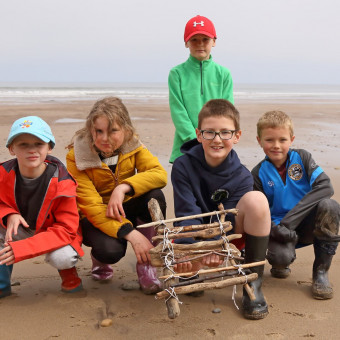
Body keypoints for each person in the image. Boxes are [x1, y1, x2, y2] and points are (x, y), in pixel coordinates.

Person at [171, 99, 271, 320]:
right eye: (210, 133)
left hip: (227, 235)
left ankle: (252, 282)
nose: (217, 139)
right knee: (187, 275)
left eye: (225, 133)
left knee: (257, 200)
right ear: (199, 134)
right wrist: (193, 251)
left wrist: (217, 247)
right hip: (193, 235)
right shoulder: (182, 166)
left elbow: (229, 222)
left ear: (237, 136)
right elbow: (186, 212)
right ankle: (194, 270)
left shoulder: (243, 176)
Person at [66, 97, 167, 294]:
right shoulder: (76, 157)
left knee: (155, 196)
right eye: (99, 131)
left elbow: (159, 174)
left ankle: (146, 265)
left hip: (124, 205)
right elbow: (91, 207)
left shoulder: (134, 146)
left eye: (113, 131)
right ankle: (100, 260)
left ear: (126, 131)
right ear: (90, 130)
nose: (105, 138)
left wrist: (122, 188)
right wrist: (132, 235)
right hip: (96, 216)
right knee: (110, 251)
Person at [252, 110, 340, 300]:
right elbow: (260, 213)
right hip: (279, 231)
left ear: (291, 139)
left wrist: (290, 222)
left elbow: (325, 186)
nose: (276, 145)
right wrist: (278, 229)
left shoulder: (303, 158)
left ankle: (321, 273)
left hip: (306, 225)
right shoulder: (258, 173)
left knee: (330, 206)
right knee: (281, 259)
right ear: (259, 141)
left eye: (282, 140)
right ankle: (280, 263)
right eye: (269, 140)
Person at [0, 116, 83, 298]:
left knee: (63, 257)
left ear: (49, 147)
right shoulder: (2, 173)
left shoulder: (63, 182)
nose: (32, 150)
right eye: (23, 144)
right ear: (11, 149)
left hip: (54, 232)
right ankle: (2, 285)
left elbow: (67, 229)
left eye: (39, 144)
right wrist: (8, 214)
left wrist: (21, 249)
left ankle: (70, 278)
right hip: (22, 227)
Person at [168, 15, 234, 163]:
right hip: (186, 146)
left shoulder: (223, 74)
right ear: (186, 43)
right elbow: (178, 111)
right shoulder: (177, 73)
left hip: (216, 144)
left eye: (205, 39)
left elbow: (228, 112)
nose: (200, 44)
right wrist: (195, 140)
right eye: (194, 40)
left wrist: (214, 138)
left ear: (214, 42)